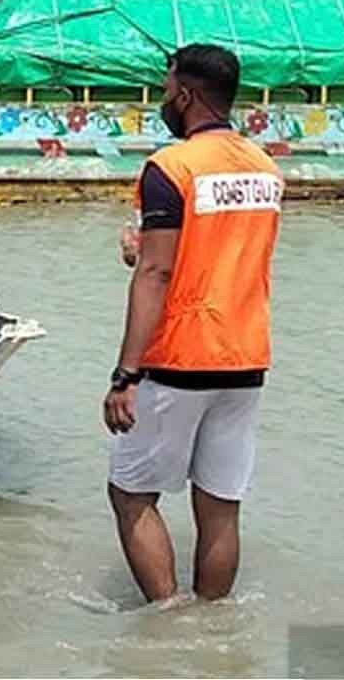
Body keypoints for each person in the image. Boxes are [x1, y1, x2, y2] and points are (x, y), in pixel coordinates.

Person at [104, 44, 282, 604]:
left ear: (187, 94)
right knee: (221, 504)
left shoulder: (171, 168)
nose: (163, 96)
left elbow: (157, 271)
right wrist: (149, 252)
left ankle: (168, 620)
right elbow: (222, 250)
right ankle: (212, 631)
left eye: (166, 86)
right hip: (246, 358)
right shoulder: (265, 167)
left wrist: (125, 374)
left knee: (130, 494)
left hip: (179, 358)